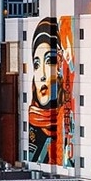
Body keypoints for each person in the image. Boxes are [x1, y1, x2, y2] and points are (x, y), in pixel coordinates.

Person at [27, 17, 74, 165]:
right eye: (36, 64)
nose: (41, 75)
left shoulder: (68, 114)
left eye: (49, 62)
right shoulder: (33, 126)